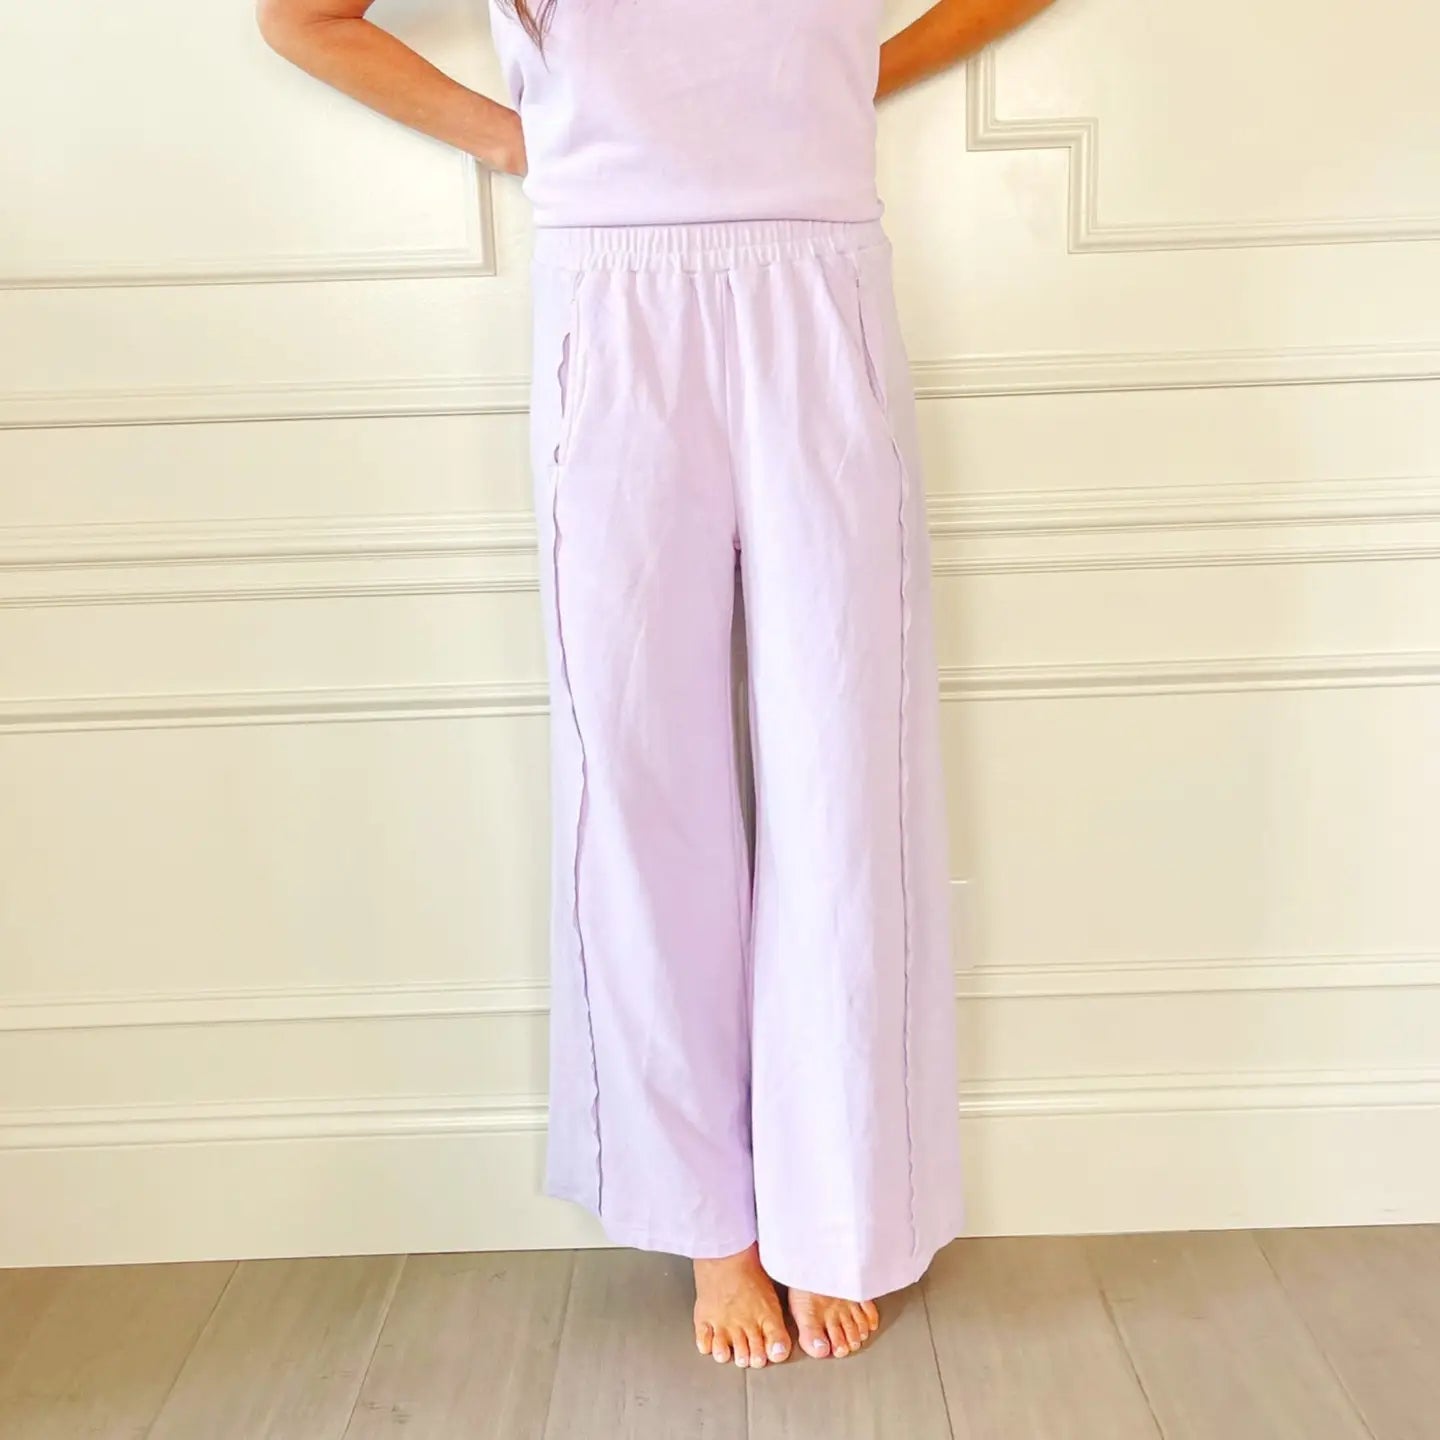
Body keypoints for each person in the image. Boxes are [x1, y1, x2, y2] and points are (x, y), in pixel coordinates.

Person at [257, 0, 1057, 1369]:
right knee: (636, 785)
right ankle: (710, 1227)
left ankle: (839, 1206)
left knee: (847, 775)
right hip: (611, 288)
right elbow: (302, 19)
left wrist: (851, 73)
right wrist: (515, 141)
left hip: (819, 276)